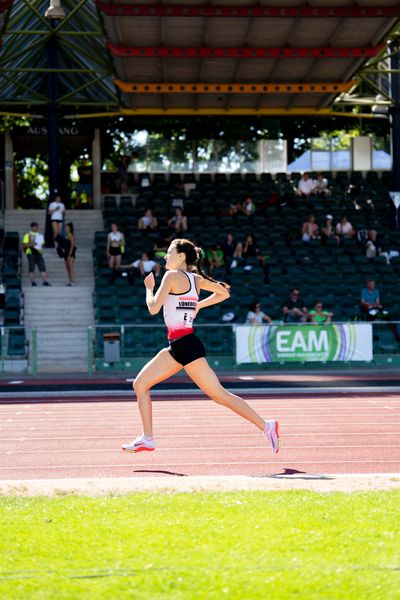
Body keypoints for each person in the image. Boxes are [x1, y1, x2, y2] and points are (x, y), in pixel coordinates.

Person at [121, 238, 280, 454]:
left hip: (186, 346)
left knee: (220, 395)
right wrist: (199, 305)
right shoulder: (195, 279)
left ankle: (266, 426)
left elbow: (153, 308)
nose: (165, 257)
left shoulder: (171, 276)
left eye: (168, 253)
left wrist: (149, 289)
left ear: (181, 257)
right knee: (140, 384)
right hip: (178, 346)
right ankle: (147, 438)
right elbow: (224, 293)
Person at [22, 222, 51, 287]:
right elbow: (23, 245)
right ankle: (33, 283)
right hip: (31, 253)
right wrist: (30, 244)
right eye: (35, 227)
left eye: (37, 226)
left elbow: (42, 244)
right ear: (31, 227)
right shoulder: (27, 235)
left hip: (39, 253)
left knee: (42, 268)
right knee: (31, 268)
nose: (36, 228)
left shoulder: (40, 235)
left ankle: (45, 282)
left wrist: (41, 244)